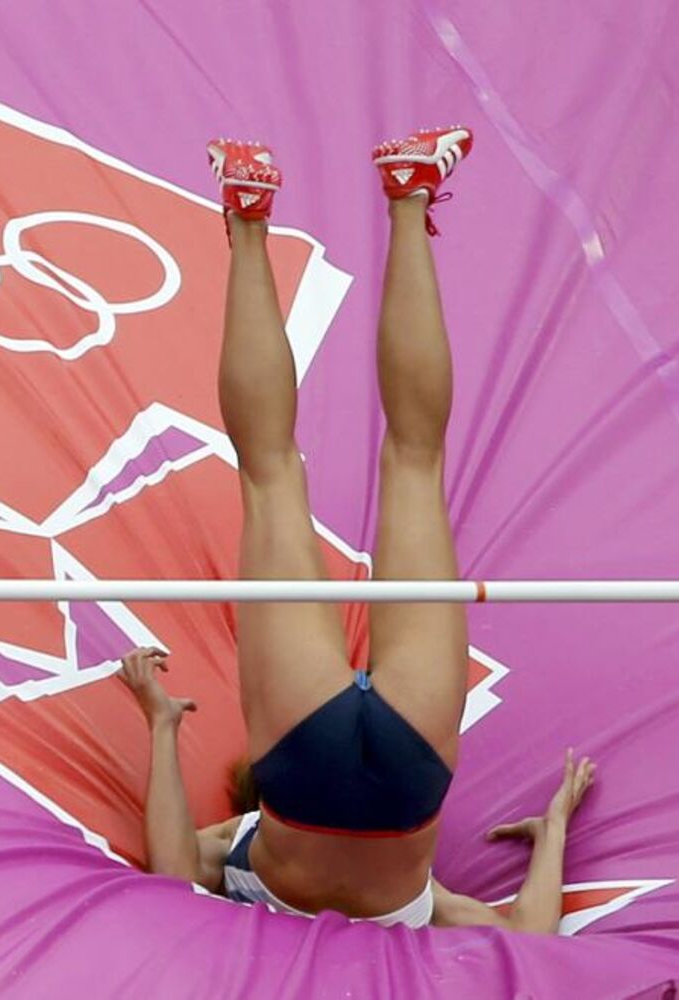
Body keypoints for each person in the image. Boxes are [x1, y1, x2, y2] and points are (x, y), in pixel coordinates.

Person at [115, 127, 595, 931]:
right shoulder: (240, 846)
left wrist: (552, 838)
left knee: (414, 462)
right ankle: (249, 220)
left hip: (408, 770)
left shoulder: (413, 898)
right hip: (300, 755)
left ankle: (408, 197)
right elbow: (170, 865)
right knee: (270, 473)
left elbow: (526, 933)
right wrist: (160, 730)